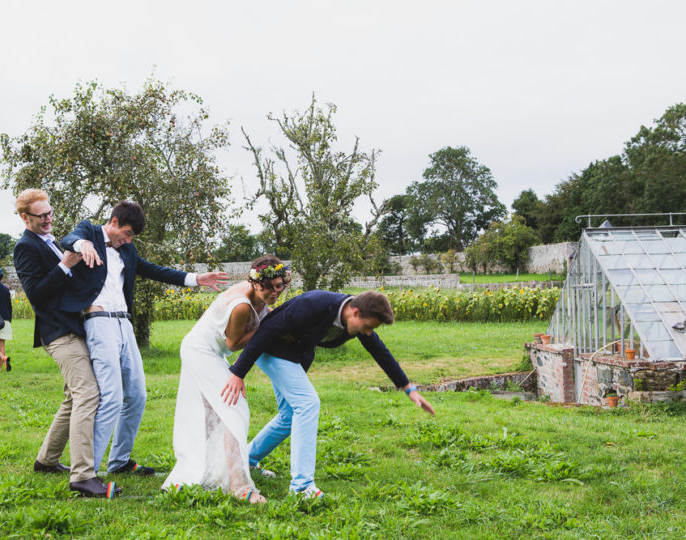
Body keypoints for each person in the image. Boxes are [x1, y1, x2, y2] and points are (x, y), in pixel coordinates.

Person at [59, 200, 228, 477]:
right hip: (99, 322)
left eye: (131, 237)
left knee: (137, 395)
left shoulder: (127, 250)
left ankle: (119, 461)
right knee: (111, 396)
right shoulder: (88, 231)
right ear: (113, 222)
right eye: (125, 234)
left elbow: (154, 270)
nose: (127, 240)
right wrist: (82, 246)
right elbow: (69, 238)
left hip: (125, 324)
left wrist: (197, 278)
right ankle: (89, 473)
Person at [222, 290, 435, 499]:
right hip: (271, 350)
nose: (369, 332)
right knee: (307, 404)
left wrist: (408, 388)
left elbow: (379, 350)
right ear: (355, 312)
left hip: (293, 356)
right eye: (369, 327)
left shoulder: (359, 321)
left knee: (289, 415)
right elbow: (265, 330)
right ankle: (302, 487)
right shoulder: (312, 304)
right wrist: (238, 372)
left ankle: (247, 460)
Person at [13, 188, 119, 499]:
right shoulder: (25, 247)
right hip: (58, 332)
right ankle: (83, 476)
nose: (48, 219)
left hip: (76, 326)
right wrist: (65, 265)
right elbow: (37, 295)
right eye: (40, 215)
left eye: (49, 213)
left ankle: (46, 461)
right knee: (88, 393)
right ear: (24, 217)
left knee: (74, 397)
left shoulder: (52, 241)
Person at [162, 255, 290, 503]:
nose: (274, 292)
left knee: (217, 413)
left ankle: (234, 466)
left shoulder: (262, 298)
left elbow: (268, 317)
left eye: (279, 285)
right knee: (234, 407)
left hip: (211, 353)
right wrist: (267, 330)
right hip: (200, 351)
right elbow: (233, 343)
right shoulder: (242, 306)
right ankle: (238, 485)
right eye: (268, 287)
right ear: (254, 283)